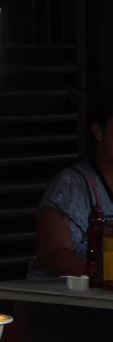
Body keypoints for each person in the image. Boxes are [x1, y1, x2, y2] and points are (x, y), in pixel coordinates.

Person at [32, 88, 113, 277]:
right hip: (68, 302)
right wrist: (104, 273)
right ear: (98, 131)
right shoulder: (71, 185)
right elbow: (53, 255)